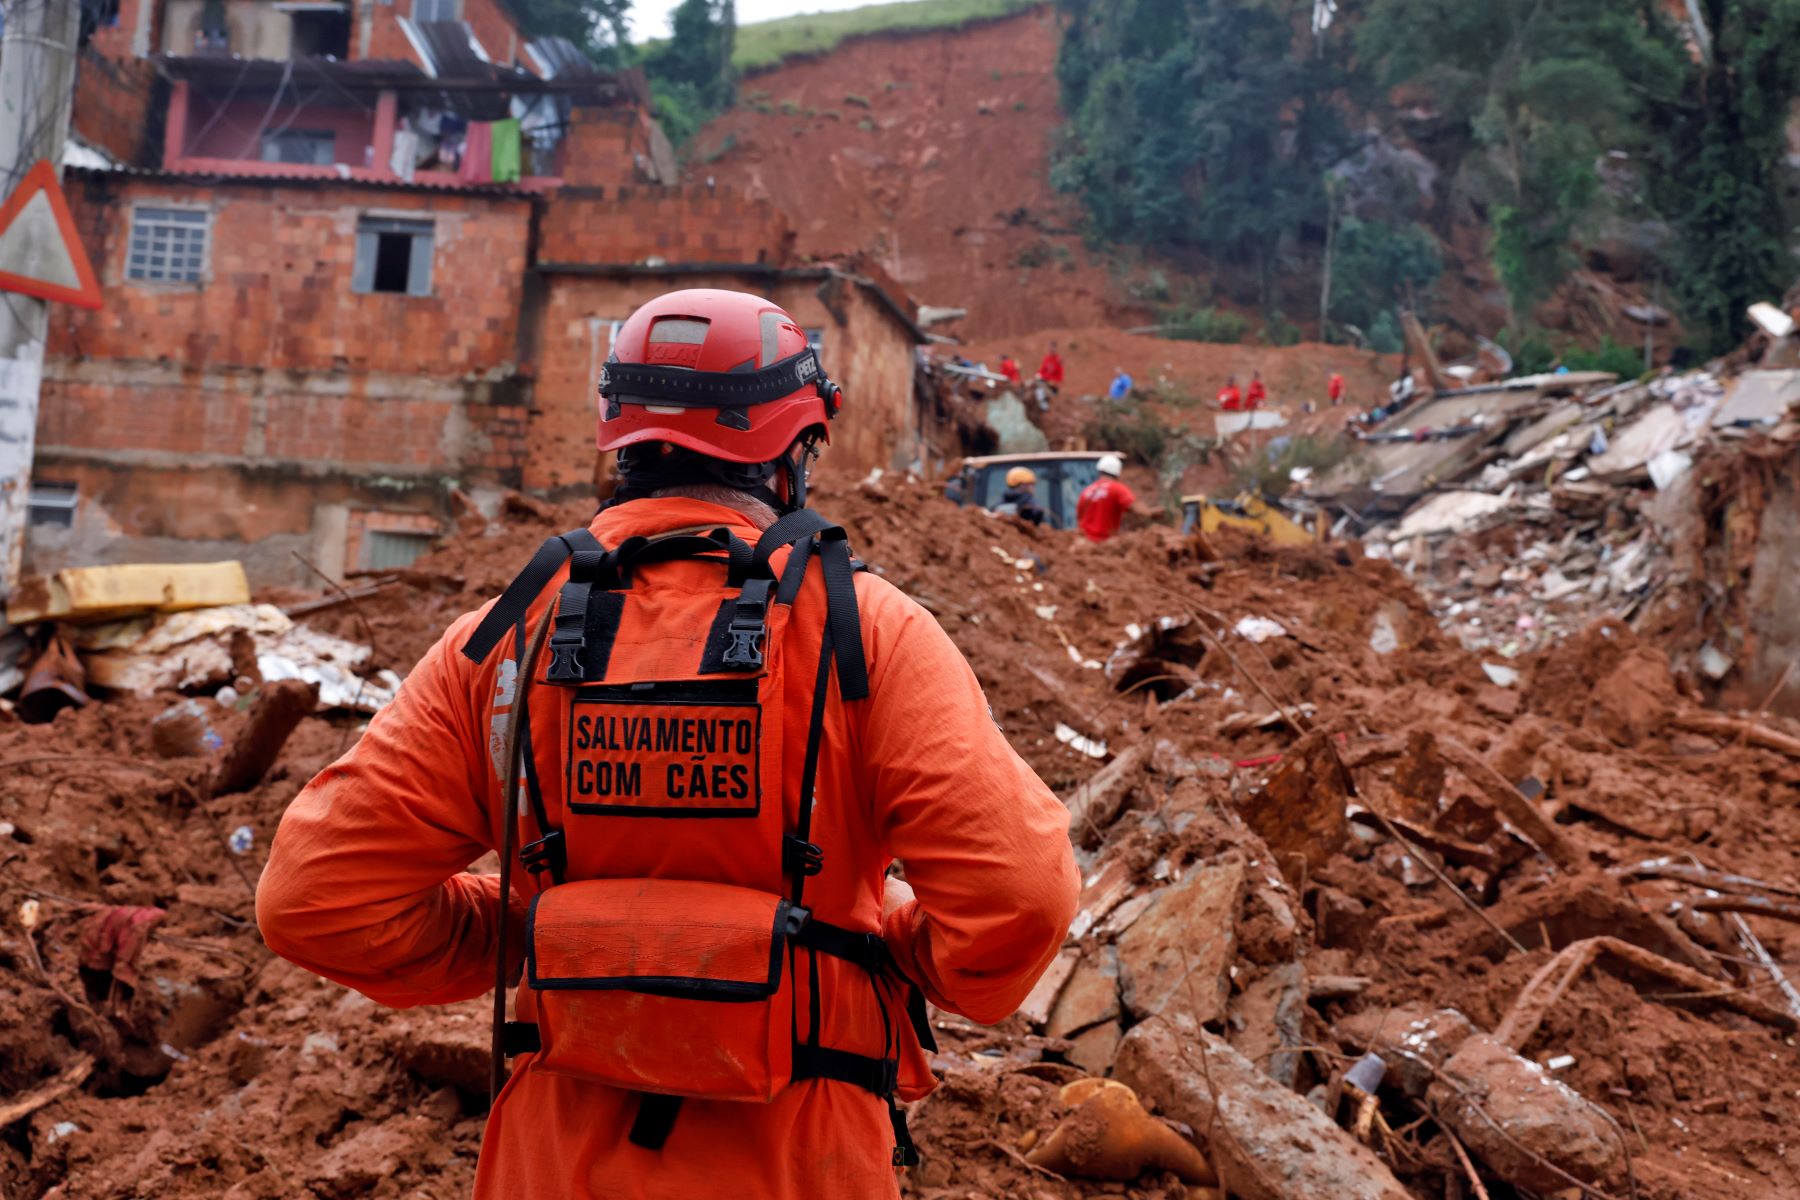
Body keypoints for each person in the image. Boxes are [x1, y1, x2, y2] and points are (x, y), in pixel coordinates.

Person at [257, 288, 1079, 1199]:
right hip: (801, 1163)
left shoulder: (503, 643)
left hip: (551, 1166)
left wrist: (543, 934)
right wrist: (881, 949)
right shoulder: (868, 635)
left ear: (619, 440)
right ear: (792, 453)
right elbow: (1019, 899)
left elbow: (314, 899)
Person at [1076, 454, 1138, 543]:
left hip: (1085, 543)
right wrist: (1151, 513)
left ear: (1100, 471)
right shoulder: (1117, 488)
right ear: (1118, 473)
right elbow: (1134, 508)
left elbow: (1079, 517)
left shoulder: (1086, 491)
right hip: (1106, 544)